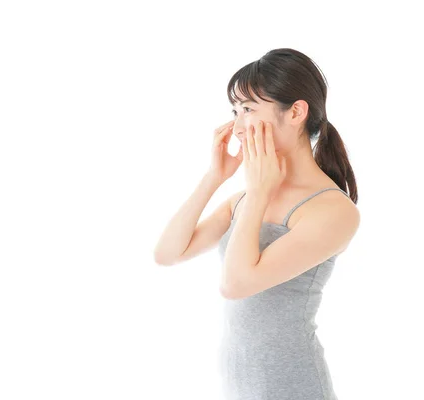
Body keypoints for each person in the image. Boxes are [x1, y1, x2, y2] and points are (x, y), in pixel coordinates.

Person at [153, 48, 360, 400]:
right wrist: (214, 178)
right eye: (234, 111)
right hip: (239, 383)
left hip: (293, 386)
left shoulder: (332, 210)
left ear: (295, 112)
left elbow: (235, 284)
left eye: (248, 109)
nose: (237, 126)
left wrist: (259, 191)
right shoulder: (245, 199)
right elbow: (168, 254)